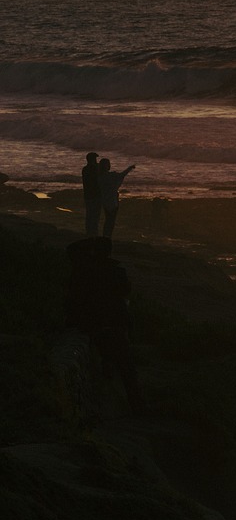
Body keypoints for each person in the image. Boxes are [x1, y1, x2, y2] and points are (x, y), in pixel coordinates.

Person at [65, 236, 143, 412]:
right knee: (127, 368)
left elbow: (71, 249)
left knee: (110, 362)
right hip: (114, 324)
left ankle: (111, 400)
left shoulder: (83, 271)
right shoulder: (114, 271)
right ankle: (137, 405)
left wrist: (89, 244)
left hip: (92, 324)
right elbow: (126, 290)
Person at [97, 157, 136, 241]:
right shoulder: (110, 176)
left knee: (108, 220)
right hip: (113, 201)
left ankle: (105, 236)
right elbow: (122, 175)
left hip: (105, 201)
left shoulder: (99, 177)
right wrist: (130, 168)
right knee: (111, 221)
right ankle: (107, 237)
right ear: (107, 166)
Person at [81, 152, 101, 235]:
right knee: (95, 216)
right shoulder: (94, 169)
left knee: (89, 215)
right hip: (95, 194)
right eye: (95, 159)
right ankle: (93, 232)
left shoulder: (85, 169)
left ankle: (89, 232)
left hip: (87, 194)